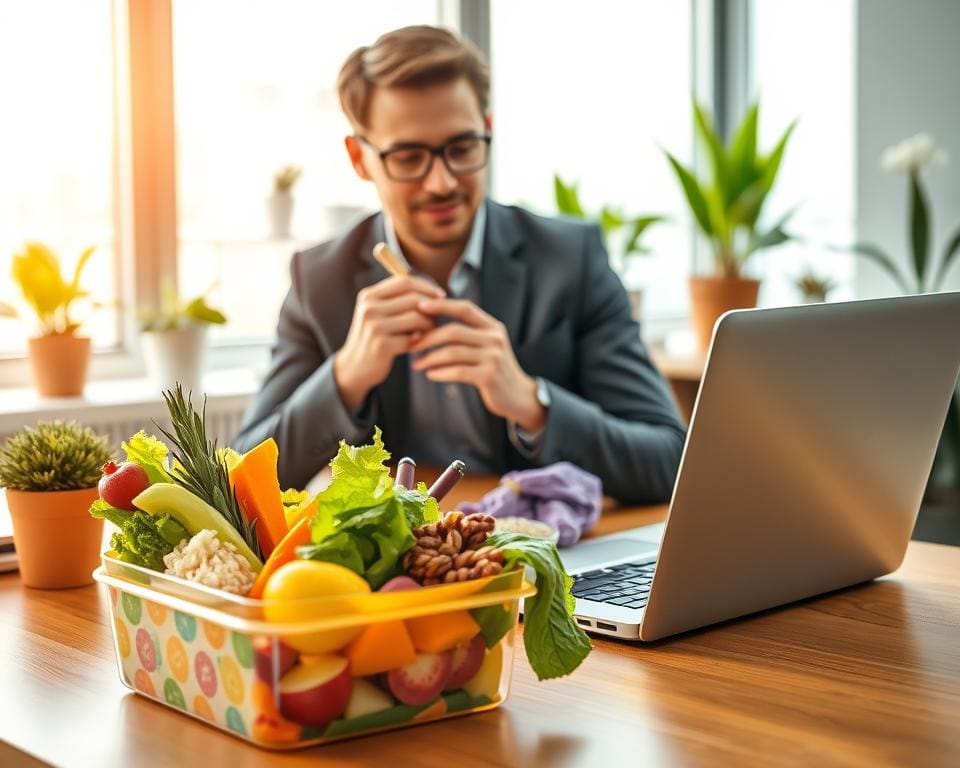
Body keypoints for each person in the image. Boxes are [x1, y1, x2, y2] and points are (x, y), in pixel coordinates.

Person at [234, 25, 685, 503]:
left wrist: (533, 404)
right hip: (401, 569)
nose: (441, 182)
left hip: (542, 553)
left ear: (487, 130)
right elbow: (244, 477)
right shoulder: (320, 280)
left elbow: (668, 459)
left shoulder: (569, 260)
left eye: (462, 148)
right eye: (408, 156)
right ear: (359, 158)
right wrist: (346, 377)